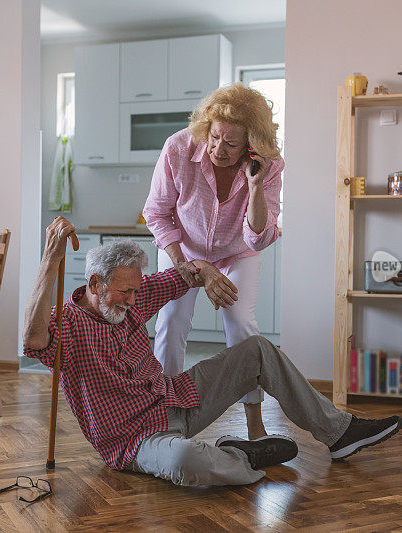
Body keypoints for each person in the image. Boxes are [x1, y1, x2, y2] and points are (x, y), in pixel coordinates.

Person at [23, 217, 402, 487]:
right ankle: (236, 454)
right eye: (125, 291)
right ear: (94, 283)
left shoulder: (134, 300)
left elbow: (183, 273)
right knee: (187, 462)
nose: (133, 300)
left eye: (137, 291)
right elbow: (33, 339)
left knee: (255, 348)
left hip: (176, 399)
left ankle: (339, 432)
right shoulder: (67, 324)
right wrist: (49, 260)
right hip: (136, 441)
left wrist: (205, 273)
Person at [143, 83, 284, 440]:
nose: (219, 149)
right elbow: (156, 213)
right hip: (183, 248)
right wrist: (184, 264)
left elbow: (261, 237)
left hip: (237, 250)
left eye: (231, 144)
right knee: (172, 320)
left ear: (251, 145)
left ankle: (255, 421)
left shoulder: (270, 166)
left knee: (239, 320)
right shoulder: (178, 147)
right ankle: (165, 414)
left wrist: (255, 186)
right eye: (215, 138)